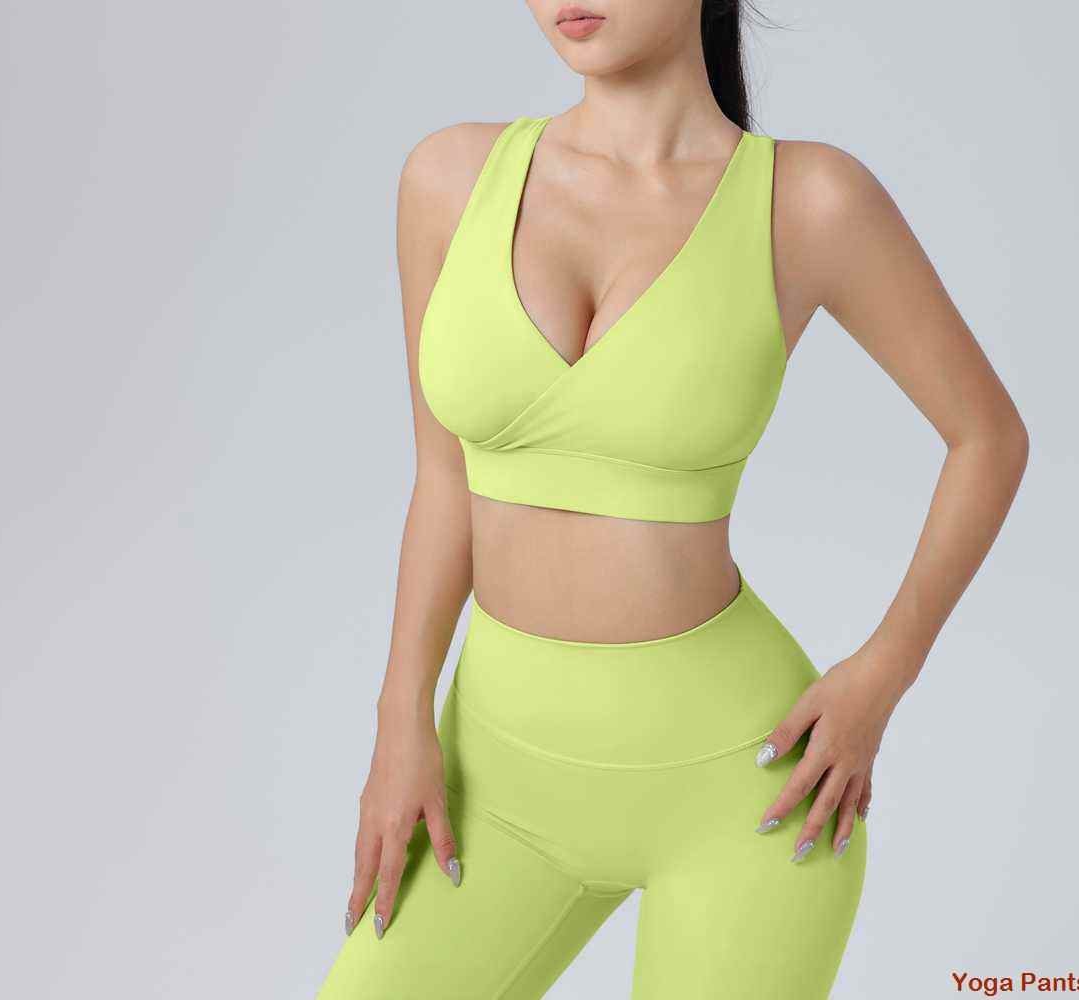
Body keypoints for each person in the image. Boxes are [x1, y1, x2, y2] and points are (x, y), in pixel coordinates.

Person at [317, 1, 1028, 996]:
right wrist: (401, 720)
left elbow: (986, 438)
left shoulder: (806, 200)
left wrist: (881, 674)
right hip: (492, 777)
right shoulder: (448, 177)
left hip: (739, 790)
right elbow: (442, 479)